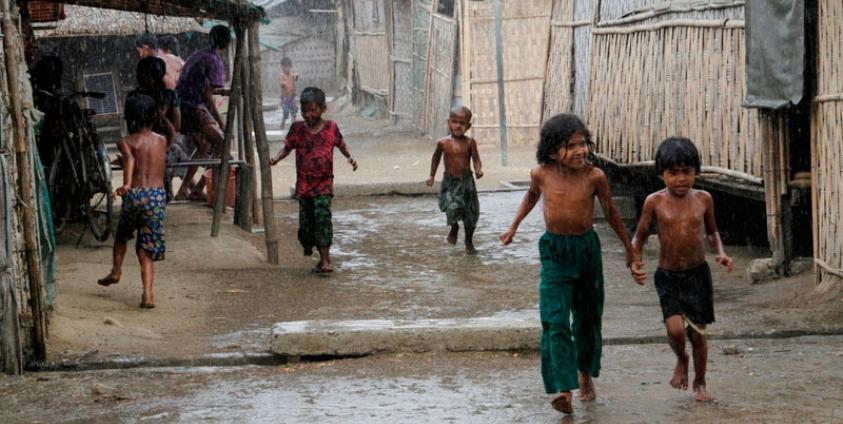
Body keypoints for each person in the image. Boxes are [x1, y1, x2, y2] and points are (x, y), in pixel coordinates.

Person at [499, 113, 639, 415]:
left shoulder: (594, 177)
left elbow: (611, 212)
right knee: (555, 318)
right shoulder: (541, 174)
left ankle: (585, 371)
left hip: (586, 251)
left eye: (582, 143)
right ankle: (564, 388)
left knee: (587, 317)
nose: (580, 151)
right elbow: (530, 198)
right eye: (571, 145)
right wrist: (513, 227)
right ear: (552, 151)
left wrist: (629, 249)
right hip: (554, 252)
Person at [629, 136, 733, 402]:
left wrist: (720, 253)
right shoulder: (654, 202)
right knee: (675, 329)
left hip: (698, 275)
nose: (680, 179)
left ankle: (700, 382)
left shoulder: (703, 199)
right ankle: (681, 359)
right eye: (673, 173)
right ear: (662, 174)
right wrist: (634, 259)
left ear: (696, 171)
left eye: (687, 172)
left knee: (698, 334)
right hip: (668, 276)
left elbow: (713, 231)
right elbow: (639, 235)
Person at [270, 87, 357, 273]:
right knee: (306, 223)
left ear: (323, 109)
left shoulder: (331, 128)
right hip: (304, 186)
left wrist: (350, 158)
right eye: (304, 111)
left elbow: (341, 145)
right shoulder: (297, 129)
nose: (308, 115)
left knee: (323, 219)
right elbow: (287, 147)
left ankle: (325, 260)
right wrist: (275, 159)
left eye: (312, 110)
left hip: (324, 185)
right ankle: (309, 246)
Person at [97, 94, 168, 309]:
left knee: (122, 236)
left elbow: (130, 160)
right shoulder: (162, 140)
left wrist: (127, 184)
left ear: (130, 117)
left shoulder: (126, 141)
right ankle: (148, 295)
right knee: (146, 249)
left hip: (136, 194)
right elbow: (146, 159)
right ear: (154, 116)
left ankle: (116, 271)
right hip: (156, 197)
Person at [175, 25, 231, 201]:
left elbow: (204, 89)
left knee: (203, 146)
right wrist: (220, 122)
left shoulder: (199, 54)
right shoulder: (214, 60)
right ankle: (198, 188)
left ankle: (184, 189)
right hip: (192, 106)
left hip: (181, 105)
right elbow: (207, 96)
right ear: (227, 43)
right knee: (221, 144)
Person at [425, 106, 483, 254]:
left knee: (471, 213)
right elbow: (436, 158)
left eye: (462, 123)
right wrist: (431, 175)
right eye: (454, 122)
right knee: (452, 207)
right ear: (448, 122)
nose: (457, 126)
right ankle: (454, 227)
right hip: (451, 182)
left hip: (466, 182)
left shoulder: (470, 142)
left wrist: (478, 170)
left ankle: (469, 240)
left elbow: (476, 159)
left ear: (468, 126)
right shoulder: (443, 142)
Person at [127, 57, 182, 200]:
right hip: (144, 142)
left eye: (142, 74)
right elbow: (132, 129)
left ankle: (165, 191)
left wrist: (161, 119)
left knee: (169, 154)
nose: (138, 77)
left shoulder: (168, 96)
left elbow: (176, 126)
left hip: (166, 142)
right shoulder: (134, 97)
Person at [279, 56, 299, 130]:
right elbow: (282, 83)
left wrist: (296, 76)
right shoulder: (282, 76)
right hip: (285, 98)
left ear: (290, 67)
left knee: (294, 112)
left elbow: (296, 77)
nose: (286, 69)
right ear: (282, 67)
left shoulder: (292, 75)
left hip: (292, 97)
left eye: (288, 67)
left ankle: (293, 127)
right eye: (284, 67)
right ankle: (282, 125)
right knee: (286, 113)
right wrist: (283, 83)